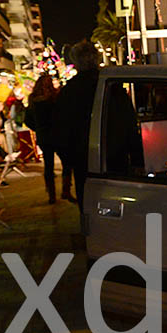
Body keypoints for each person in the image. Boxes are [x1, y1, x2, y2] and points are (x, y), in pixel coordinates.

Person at [53, 40, 101, 211]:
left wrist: (68, 159)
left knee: (87, 205)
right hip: (111, 155)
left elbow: (60, 128)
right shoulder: (108, 84)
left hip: (82, 157)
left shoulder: (69, 90)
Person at [25, 75, 65, 204]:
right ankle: (66, 189)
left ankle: (51, 194)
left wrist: (38, 128)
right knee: (66, 162)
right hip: (57, 134)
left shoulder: (33, 100)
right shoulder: (55, 98)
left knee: (48, 166)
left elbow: (28, 120)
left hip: (43, 135)